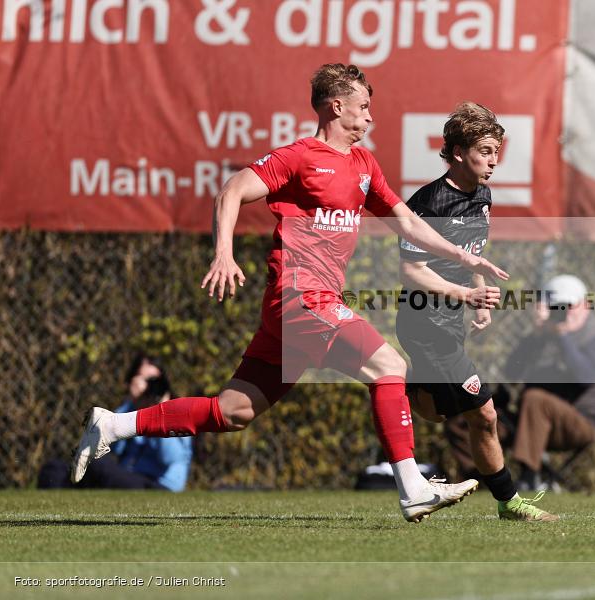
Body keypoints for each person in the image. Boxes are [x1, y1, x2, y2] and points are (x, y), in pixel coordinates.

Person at [71, 63, 509, 523]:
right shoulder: (300, 157)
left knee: (234, 410)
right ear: (337, 106)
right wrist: (224, 253)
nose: (370, 116)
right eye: (363, 107)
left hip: (305, 308)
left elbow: (410, 223)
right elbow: (232, 191)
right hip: (299, 296)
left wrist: (466, 259)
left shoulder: (364, 164)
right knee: (390, 366)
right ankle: (413, 488)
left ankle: (114, 424)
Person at [396, 102, 558, 522]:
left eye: (496, 151)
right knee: (483, 413)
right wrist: (462, 295)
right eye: (485, 151)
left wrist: (480, 294)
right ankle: (510, 502)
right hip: (424, 321)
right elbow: (411, 271)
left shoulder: (482, 196)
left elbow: (473, 256)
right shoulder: (431, 201)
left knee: (435, 412)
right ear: (456, 152)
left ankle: (396, 384)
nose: (494, 161)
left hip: (451, 322)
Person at [504, 274, 595, 491]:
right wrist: (536, 336)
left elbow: (584, 375)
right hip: (529, 420)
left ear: (586, 304)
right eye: (556, 307)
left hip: (580, 423)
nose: (563, 312)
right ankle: (475, 479)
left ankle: (529, 478)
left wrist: (563, 336)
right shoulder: (542, 336)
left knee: (535, 399)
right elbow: (511, 371)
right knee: (473, 406)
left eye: (569, 306)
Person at [40, 354, 192, 491]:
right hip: (126, 476)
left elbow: (170, 458)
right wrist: (136, 409)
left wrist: (159, 412)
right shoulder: (129, 408)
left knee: (99, 466)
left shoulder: (176, 411)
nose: (149, 387)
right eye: (143, 379)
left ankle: (67, 489)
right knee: (54, 469)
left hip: (157, 485)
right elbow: (111, 447)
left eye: (153, 381)